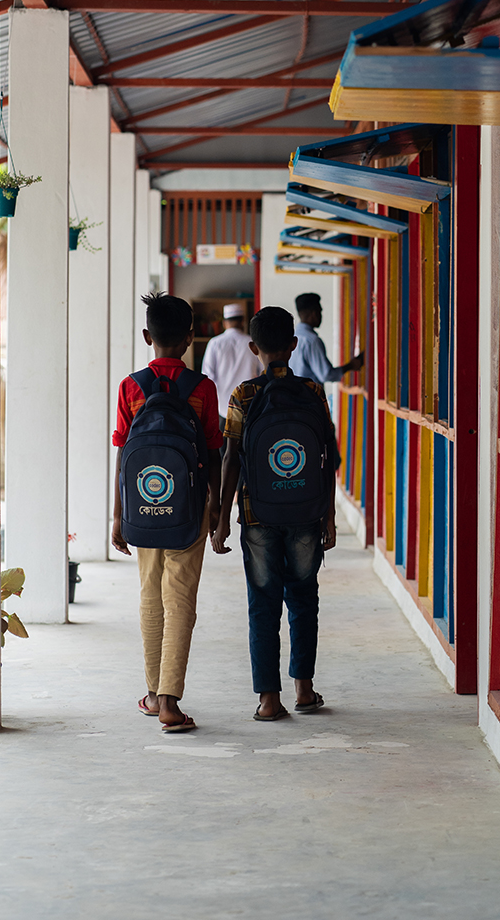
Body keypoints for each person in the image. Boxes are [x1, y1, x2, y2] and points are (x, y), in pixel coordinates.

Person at [212, 306, 339, 721]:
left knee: (262, 604)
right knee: (304, 597)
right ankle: (304, 689)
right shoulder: (313, 392)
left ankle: (269, 700)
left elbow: (231, 457)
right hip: (306, 510)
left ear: (253, 348)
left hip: (257, 514)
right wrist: (329, 514)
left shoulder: (243, 395)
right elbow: (327, 457)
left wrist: (222, 518)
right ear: (293, 345)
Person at [111, 293, 222, 733]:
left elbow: (124, 456)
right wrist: (214, 508)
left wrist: (119, 515)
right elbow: (214, 451)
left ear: (146, 337)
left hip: (143, 504)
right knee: (180, 601)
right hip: (189, 510)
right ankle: (171, 701)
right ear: (191, 337)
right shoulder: (202, 388)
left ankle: (155, 694)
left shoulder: (131, 386)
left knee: (149, 596)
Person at [201, 302, 262, 430]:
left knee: (223, 448)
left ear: (224, 323)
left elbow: (207, 377)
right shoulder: (252, 343)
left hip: (222, 408)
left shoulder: (215, 343)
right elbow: (262, 372)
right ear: (243, 321)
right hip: (248, 406)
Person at [290, 292, 364, 385]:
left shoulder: (292, 337)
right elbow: (326, 374)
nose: (321, 315)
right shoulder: (311, 341)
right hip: (308, 397)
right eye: (320, 311)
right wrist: (350, 366)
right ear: (314, 313)